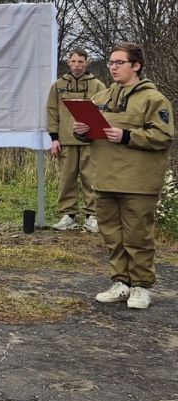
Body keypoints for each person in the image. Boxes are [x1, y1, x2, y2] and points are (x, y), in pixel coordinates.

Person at [73, 43, 174, 310]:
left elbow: (163, 136)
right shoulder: (101, 97)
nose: (113, 67)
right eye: (111, 62)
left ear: (136, 65)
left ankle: (141, 286)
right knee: (112, 235)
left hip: (138, 181)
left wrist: (127, 135)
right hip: (105, 177)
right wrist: (82, 131)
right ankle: (121, 282)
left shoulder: (153, 99)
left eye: (119, 62)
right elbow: (88, 132)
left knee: (137, 236)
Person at [47, 49, 105, 232]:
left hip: (90, 141)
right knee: (66, 179)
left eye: (81, 61)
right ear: (68, 62)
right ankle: (68, 215)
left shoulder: (98, 85)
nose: (77, 65)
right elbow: (52, 111)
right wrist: (54, 138)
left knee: (91, 178)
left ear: (87, 63)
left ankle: (92, 216)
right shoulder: (58, 85)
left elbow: (105, 111)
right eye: (74, 61)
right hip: (66, 140)